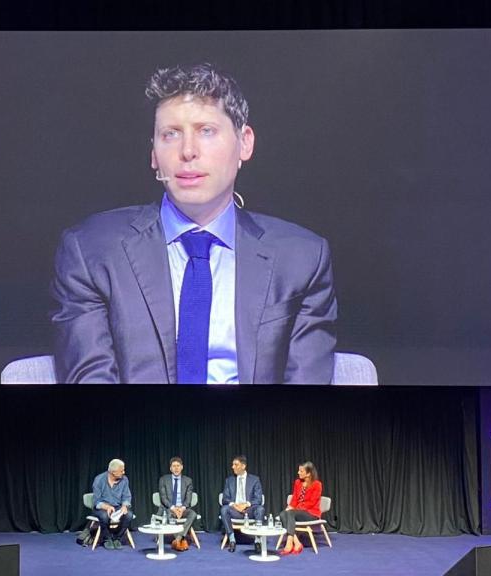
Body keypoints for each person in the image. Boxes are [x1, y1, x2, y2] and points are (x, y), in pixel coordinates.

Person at [51, 62, 337, 384]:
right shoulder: (91, 251)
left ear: (245, 143)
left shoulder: (302, 258)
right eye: (170, 134)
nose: (187, 151)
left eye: (206, 131)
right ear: (154, 155)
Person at [220, 455, 265, 552]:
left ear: (243, 466)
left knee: (260, 509)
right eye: (233, 465)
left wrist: (246, 504)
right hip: (235, 510)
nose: (233, 467)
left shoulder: (254, 480)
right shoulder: (229, 481)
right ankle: (232, 540)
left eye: (236, 465)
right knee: (224, 509)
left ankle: (257, 541)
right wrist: (235, 505)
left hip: (249, 510)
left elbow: (258, 499)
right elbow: (225, 499)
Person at [279, 461, 323, 555]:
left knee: (290, 513)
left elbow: (311, 503)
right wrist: (290, 507)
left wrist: (294, 509)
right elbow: (295, 498)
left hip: (311, 513)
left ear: (308, 473)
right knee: (283, 514)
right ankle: (297, 542)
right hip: (298, 512)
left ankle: (289, 542)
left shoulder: (317, 484)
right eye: (299, 470)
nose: (298, 473)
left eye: (301, 471)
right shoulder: (297, 482)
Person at [157, 456, 198, 551]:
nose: (176, 468)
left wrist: (182, 508)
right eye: (174, 466)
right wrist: (173, 508)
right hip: (169, 508)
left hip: (182, 508)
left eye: (178, 466)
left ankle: (178, 539)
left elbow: (188, 499)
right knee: (168, 514)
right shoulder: (163, 479)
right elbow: (163, 498)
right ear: (170, 468)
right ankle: (181, 539)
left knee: (193, 514)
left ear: (182, 467)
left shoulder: (188, 480)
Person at [90, 459, 132, 550]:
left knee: (129, 515)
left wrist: (124, 505)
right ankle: (107, 539)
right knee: (104, 516)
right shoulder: (99, 480)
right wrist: (107, 507)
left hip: (117, 507)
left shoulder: (124, 480)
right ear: (113, 472)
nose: (124, 472)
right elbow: (96, 501)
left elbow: (127, 497)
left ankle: (117, 538)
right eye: (121, 471)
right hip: (102, 508)